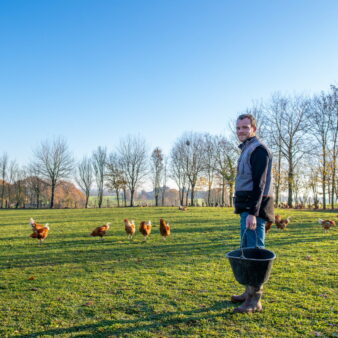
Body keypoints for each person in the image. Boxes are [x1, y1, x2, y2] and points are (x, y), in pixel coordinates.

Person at [231, 113, 274, 313]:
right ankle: (248, 292)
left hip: (254, 209)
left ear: (253, 129)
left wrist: (252, 213)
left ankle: (255, 300)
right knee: (247, 250)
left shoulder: (259, 150)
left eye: (245, 127)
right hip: (247, 208)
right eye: (238, 127)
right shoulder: (247, 148)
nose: (241, 131)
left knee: (256, 250)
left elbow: (260, 184)